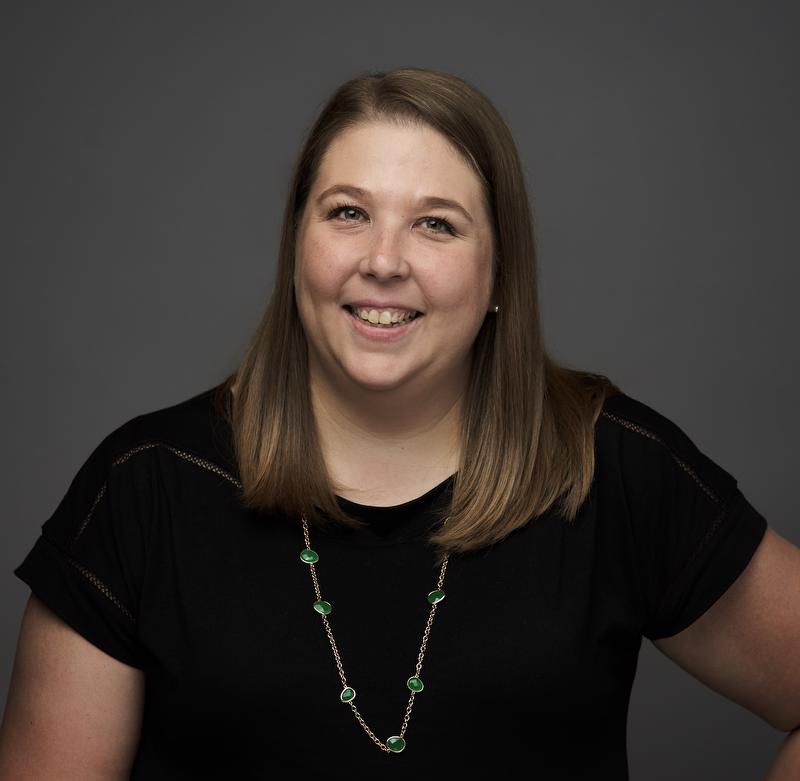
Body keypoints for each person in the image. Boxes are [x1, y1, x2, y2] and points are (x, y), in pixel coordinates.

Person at [1, 66, 798, 780]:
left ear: (498, 276)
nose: (383, 259)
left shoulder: (609, 464)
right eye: (348, 212)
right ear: (295, 249)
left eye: (436, 223)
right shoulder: (145, 484)